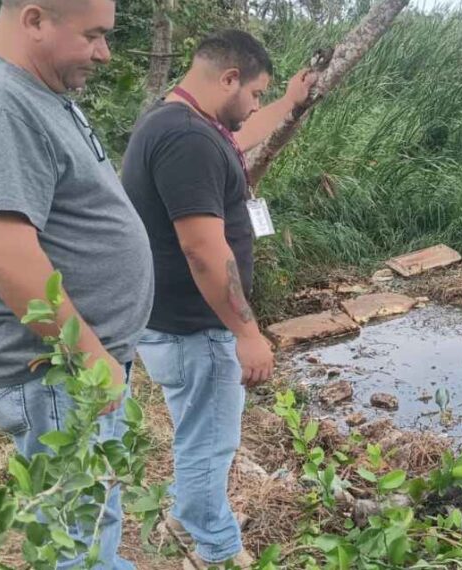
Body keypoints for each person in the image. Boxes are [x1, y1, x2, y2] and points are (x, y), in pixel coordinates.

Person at [0, 0, 153, 568]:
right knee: (78, 541)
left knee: (93, 522)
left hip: (68, 371)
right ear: (34, 20)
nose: (105, 52)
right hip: (55, 374)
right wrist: (90, 359)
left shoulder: (31, 92)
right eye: (93, 35)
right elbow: (4, 256)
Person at [120, 30, 316, 568]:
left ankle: (187, 515)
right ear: (229, 78)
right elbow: (204, 251)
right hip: (196, 327)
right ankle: (217, 551)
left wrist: (289, 100)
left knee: (195, 434)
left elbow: (241, 134)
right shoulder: (189, 140)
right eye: (254, 93)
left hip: (171, 322)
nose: (254, 105)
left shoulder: (179, 121)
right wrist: (247, 333)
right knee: (209, 443)